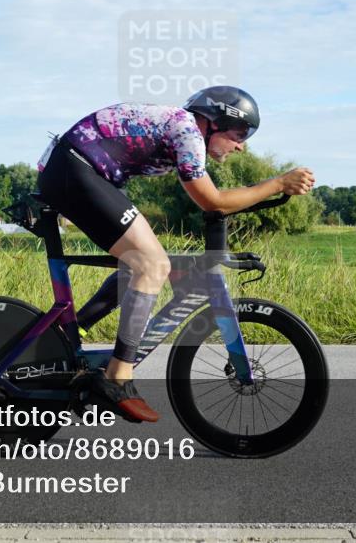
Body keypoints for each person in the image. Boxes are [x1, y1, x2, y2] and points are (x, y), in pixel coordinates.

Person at [35, 86, 315, 422]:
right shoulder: (187, 131)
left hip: (80, 170)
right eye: (240, 133)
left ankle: (70, 334)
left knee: (142, 262)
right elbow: (212, 200)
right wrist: (278, 183)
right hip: (76, 169)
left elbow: (214, 199)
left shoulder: (184, 133)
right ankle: (117, 377)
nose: (241, 145)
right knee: (152, 264)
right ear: (213, 121)